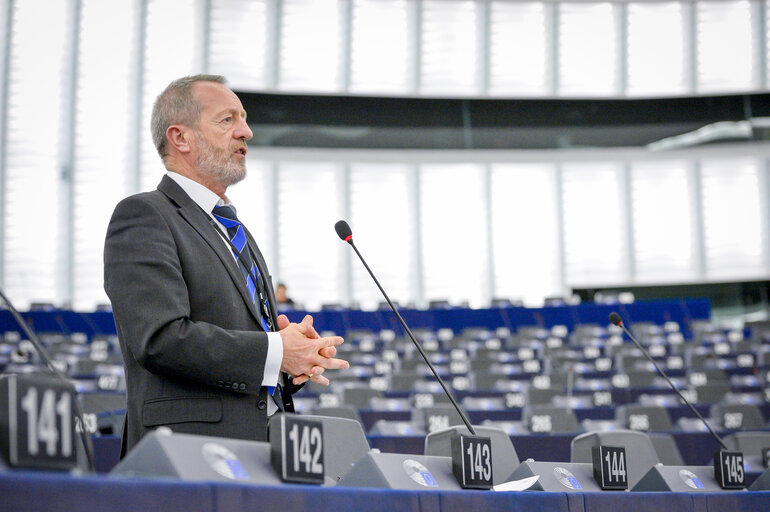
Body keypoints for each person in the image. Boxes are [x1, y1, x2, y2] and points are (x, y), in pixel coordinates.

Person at [103, 74, 348, 455]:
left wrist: (290, 359)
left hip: (264, 452)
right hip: (187, 456)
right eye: (227, 120)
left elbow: (243, 350)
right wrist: (274, 350)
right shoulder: (143, 215)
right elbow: (160, 339)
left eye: (244, 119)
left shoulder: (235, 230)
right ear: (180, 138)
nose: (246, 132)